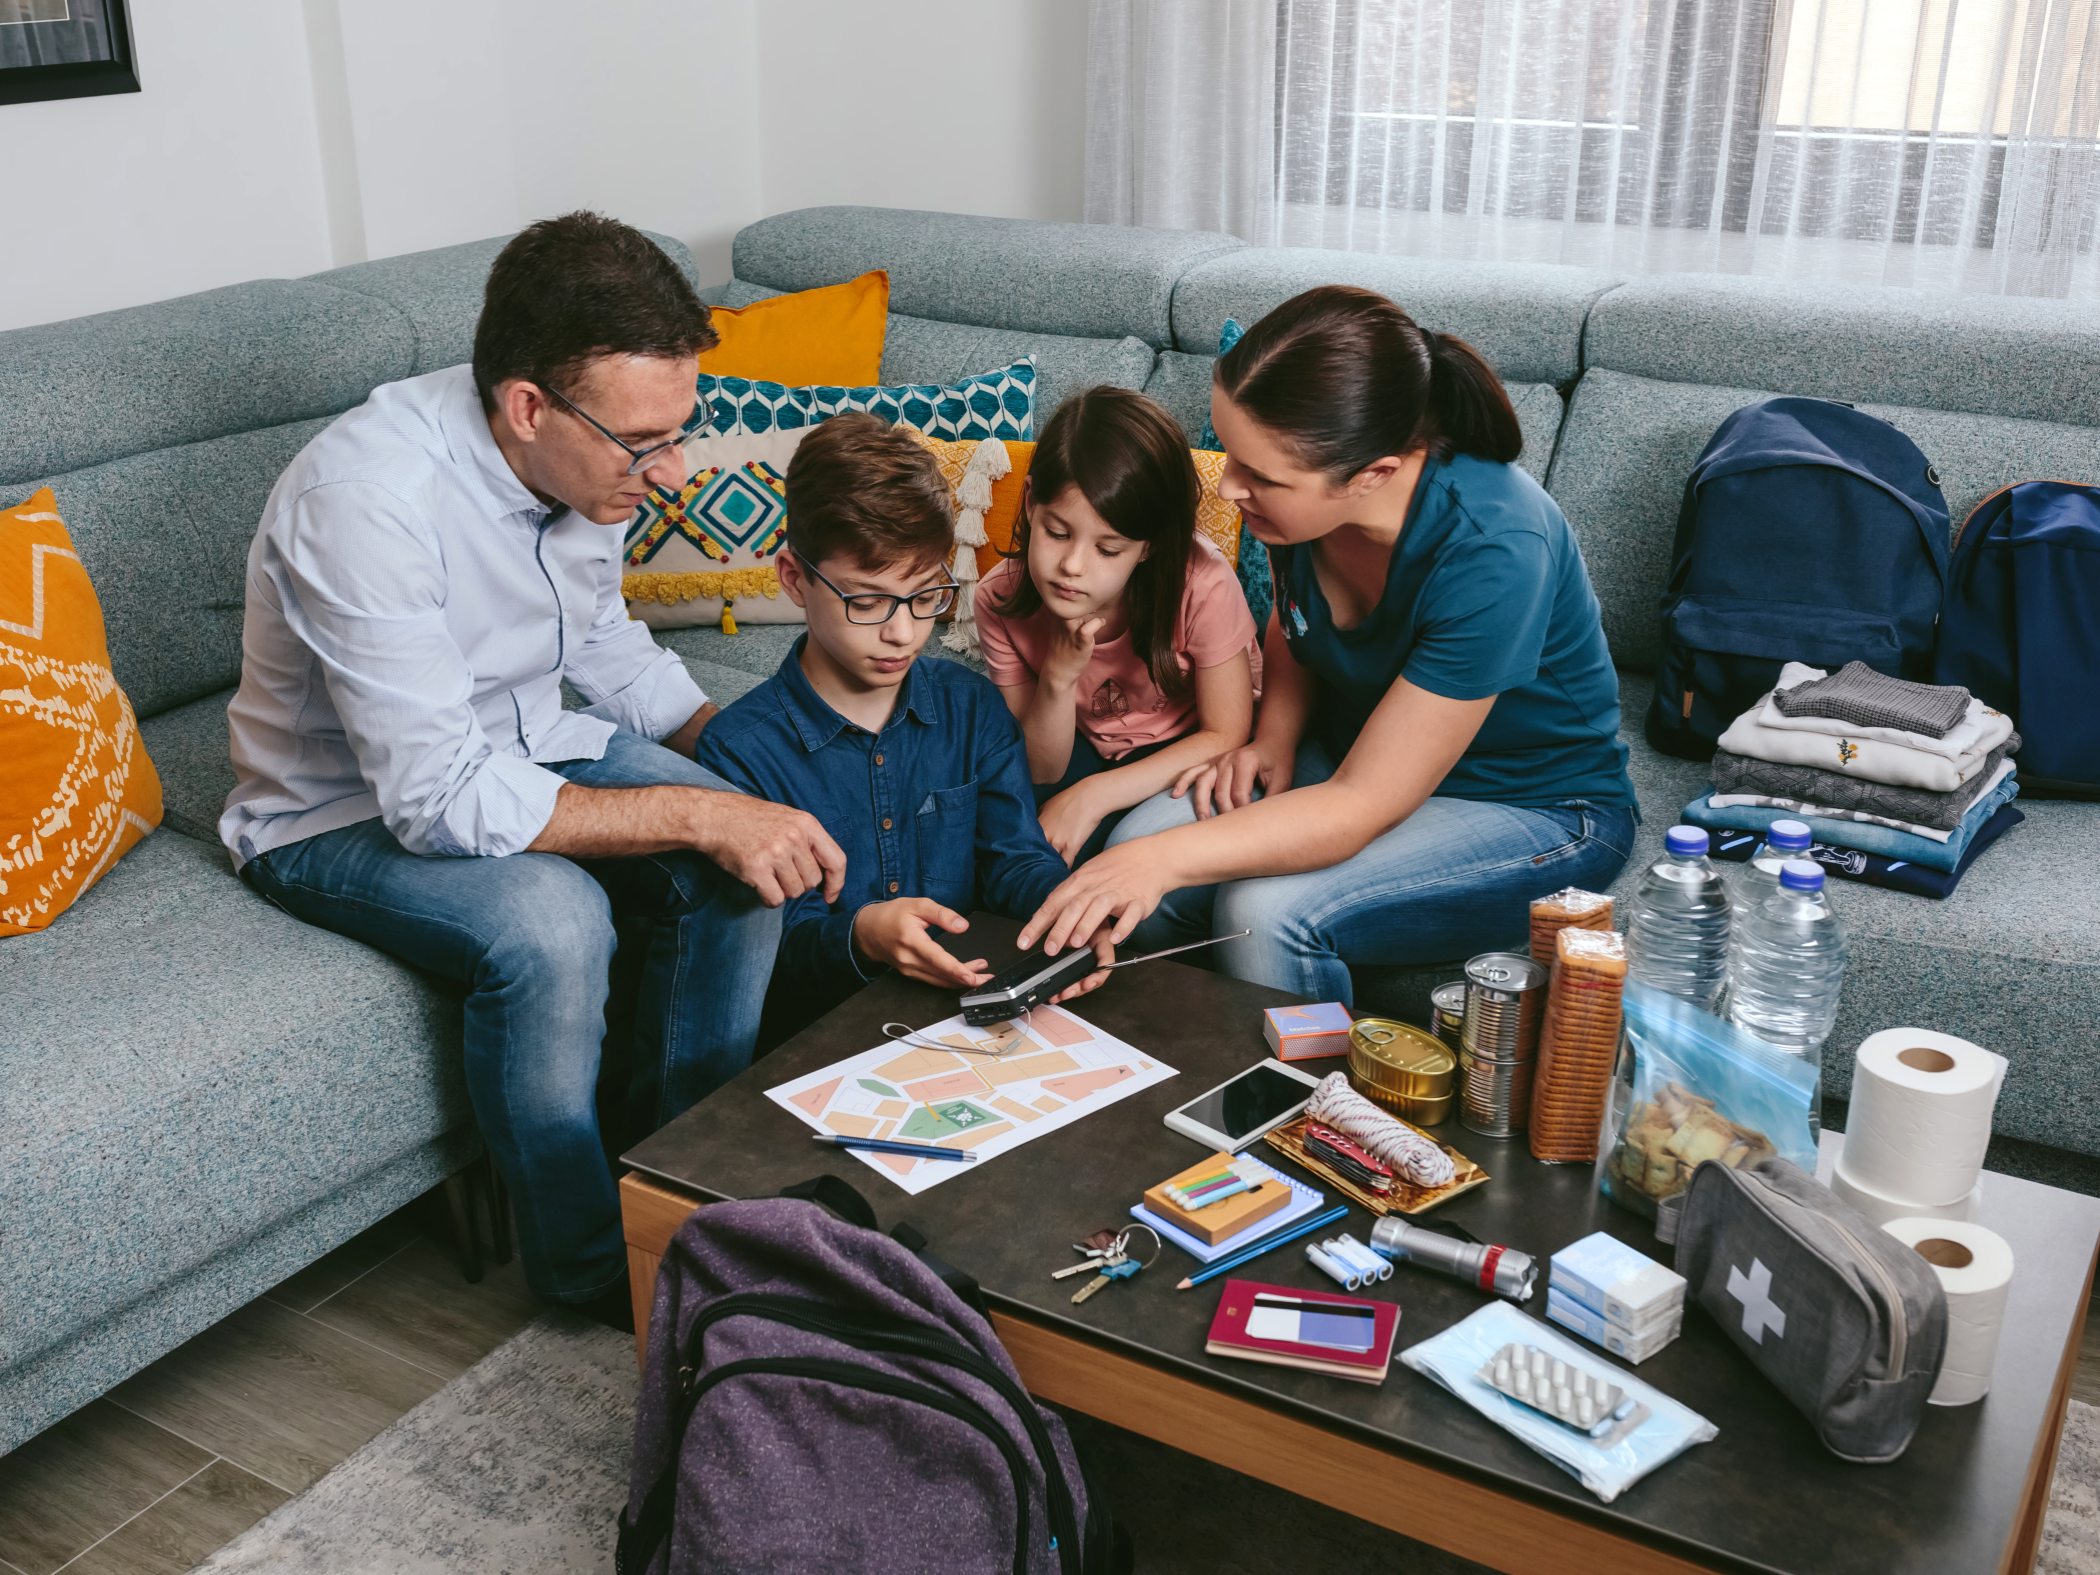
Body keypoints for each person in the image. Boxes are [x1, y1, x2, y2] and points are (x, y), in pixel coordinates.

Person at [220, 213, 843, 1328]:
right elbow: (438, 796)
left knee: (749, 853)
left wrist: (745, 769)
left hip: (521, 739)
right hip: (333, 814)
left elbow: (600, 644)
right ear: (527, 407)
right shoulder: (366, 501)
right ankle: (590, 1276)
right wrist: (701, 817)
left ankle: (680, 1210)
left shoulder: (584, 465)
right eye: (645, 444)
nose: (672, 471)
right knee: (555, 925)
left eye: (679, 432)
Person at [1019, 285, 1637, 1003]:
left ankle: (1307, 1109)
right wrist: (1275, 737)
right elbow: (1294, 622)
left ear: (1371, 474)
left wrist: (1163, 859)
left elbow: (1360, 803)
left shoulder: (1495, 547)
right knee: (1133, 850)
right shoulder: (1293, 512)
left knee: (1263, 915)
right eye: (1233, 458)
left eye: (1259, 476)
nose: (1230, 492)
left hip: (1538, 806)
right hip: (1353, 753)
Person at [696, 413, 1111, 1040]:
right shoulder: (738, 753)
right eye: (866, 601)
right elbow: (763, 957)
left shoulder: (970, 707)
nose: (903, 632)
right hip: (818, 1041)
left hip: (964, 1022)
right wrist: (863, 936)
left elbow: (1013, 858)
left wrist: (1072, 913)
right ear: (794, 580)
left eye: (925, 597)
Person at [975, 387, 1258, 866]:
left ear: (1147, 548)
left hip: (1188, 745)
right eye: (1057, 532)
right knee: (1000, 845)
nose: (1072, 566)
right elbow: (1042, 768)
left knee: (1117, 856)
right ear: (1029, 505)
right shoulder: (998, 599)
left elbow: (1227, 733)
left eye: (1108, 550)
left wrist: (1093, 796)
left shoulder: (1202, 583)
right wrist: (1059, 678)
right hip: (1077, 745)